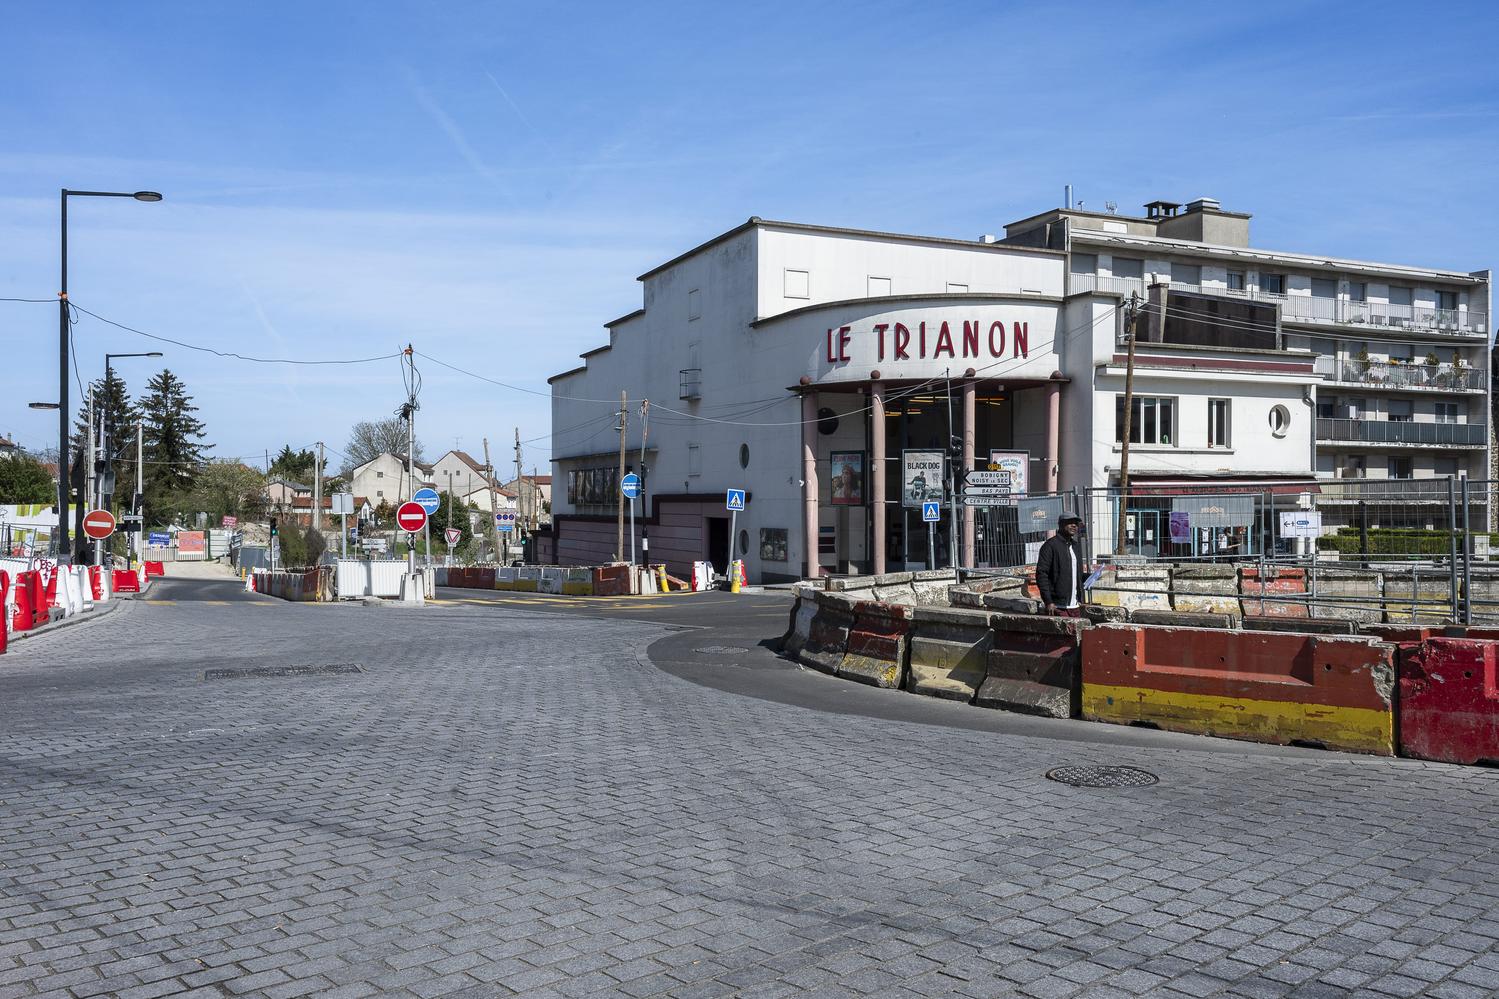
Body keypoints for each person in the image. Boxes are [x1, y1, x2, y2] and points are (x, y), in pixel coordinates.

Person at [1037, 512, 1087, 617]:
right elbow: (1041, 574)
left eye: (1076, 523)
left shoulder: (1075, 546)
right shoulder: (1050, 546)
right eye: (1070, 523)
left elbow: (1075, 574)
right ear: (1061, 525)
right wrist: (1048, 601)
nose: (1074, 525)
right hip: (1057, 607)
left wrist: (1091, 576)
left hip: (1075, 606)